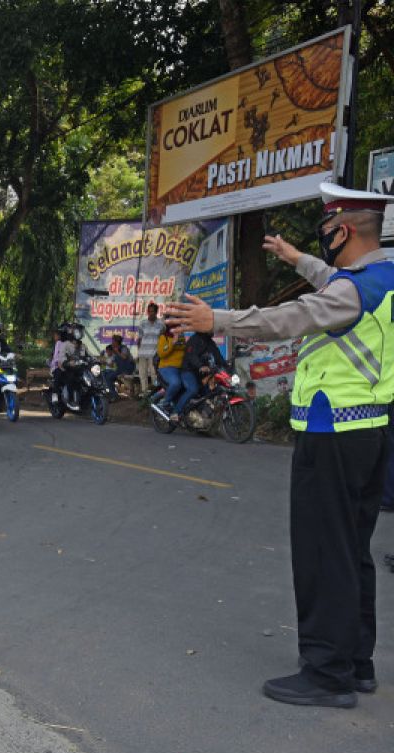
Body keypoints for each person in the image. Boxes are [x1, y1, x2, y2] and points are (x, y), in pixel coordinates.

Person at [166, 183, 394, 708]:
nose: (324, 238)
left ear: (345, 230)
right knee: (351, 551)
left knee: (322, 553)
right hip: (370, 433)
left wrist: (216, 320)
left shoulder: (352, 292)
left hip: (330, 434)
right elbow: (336, 282)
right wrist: (299, 259)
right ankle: (356, 661)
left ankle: (326, 673)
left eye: (327, 229)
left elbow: (288, 318)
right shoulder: (382, 279)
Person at [153, 322, 186, 412]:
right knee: (176, 383)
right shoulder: (164, 338)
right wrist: (173, 343)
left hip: (181, 368)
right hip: (167, 367)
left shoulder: (182, 339)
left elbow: (185, 350)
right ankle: (165, 402)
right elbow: (161, 353)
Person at [136, 302, 165, 391]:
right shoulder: (142, 323)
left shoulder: (161, 324)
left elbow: (163, 339)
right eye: (149, 311)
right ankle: (145, 395)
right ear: (147, 312)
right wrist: (139, 351)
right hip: (143, 354)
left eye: (153, 311)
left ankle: (154, 396)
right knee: (143, 375)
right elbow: (139, 339)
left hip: (154, 355)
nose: (151, 313)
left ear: (156, 312)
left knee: (154, 375)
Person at [102, 334, 135, 398]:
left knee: (113, 376)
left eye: (113, 341)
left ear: (116, 342)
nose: (112, 343)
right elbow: (112, 363)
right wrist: (105, 363)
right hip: (119, 370)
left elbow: (124, 357)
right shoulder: (114, 350)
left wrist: (117, 352)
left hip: (128, 368)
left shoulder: (123, 348)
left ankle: (115, 395)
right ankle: (114, 395)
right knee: (107, 376)